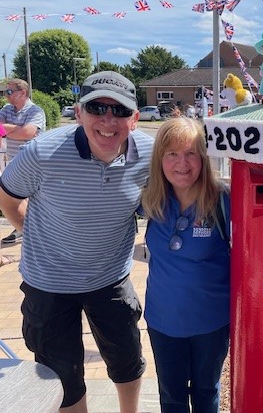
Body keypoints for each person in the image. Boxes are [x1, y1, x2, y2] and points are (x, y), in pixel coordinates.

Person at [0, 71, 153, 413]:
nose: (108, 121)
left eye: (120, 111)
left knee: (127, 359)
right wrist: (30, 232)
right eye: (97, 108)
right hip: (48, 283)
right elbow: (7, 197)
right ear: (79, 112)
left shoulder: (150, 153)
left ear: (136, 118)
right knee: (62, 375)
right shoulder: (43, 152)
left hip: (110, 278)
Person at [141, 117, 230, 413]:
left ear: (203, 158)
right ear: (160, 159)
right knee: (171, 396)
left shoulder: (223, 202)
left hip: (210, 323)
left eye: (191, 153)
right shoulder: (150, 199)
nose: (182, 163)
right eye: (172, 154)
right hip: (162, 321)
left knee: (205, 393)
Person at [0, 78, 46, 244]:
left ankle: (34, 232)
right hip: (12, 161)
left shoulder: (36, 111)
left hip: (32, 162)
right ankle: (24, 229)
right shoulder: (6, 109)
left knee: (32, 198)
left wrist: (7, 129)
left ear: (23, 93)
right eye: (6, 92)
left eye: (10, 92)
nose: (6, 96)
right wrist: (15, 130)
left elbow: (27, 133)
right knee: (15, 197)